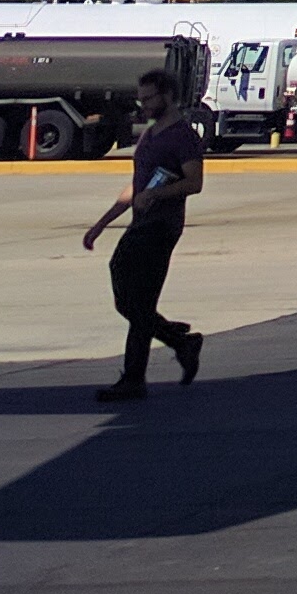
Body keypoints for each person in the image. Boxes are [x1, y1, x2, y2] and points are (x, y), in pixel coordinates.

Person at [80, 68, 208, 401]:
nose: (144, 105)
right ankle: (176, 343)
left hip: (161, 226)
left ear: (168, 96)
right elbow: (137, 185)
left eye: (149, 98)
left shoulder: (182, 136)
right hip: (141, 223)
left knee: (135, 299)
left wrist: (156, 194)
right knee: (133, 300)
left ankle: (140, 372)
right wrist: (102, 222)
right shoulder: (151, 133)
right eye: (141, 99)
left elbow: (194, 182)